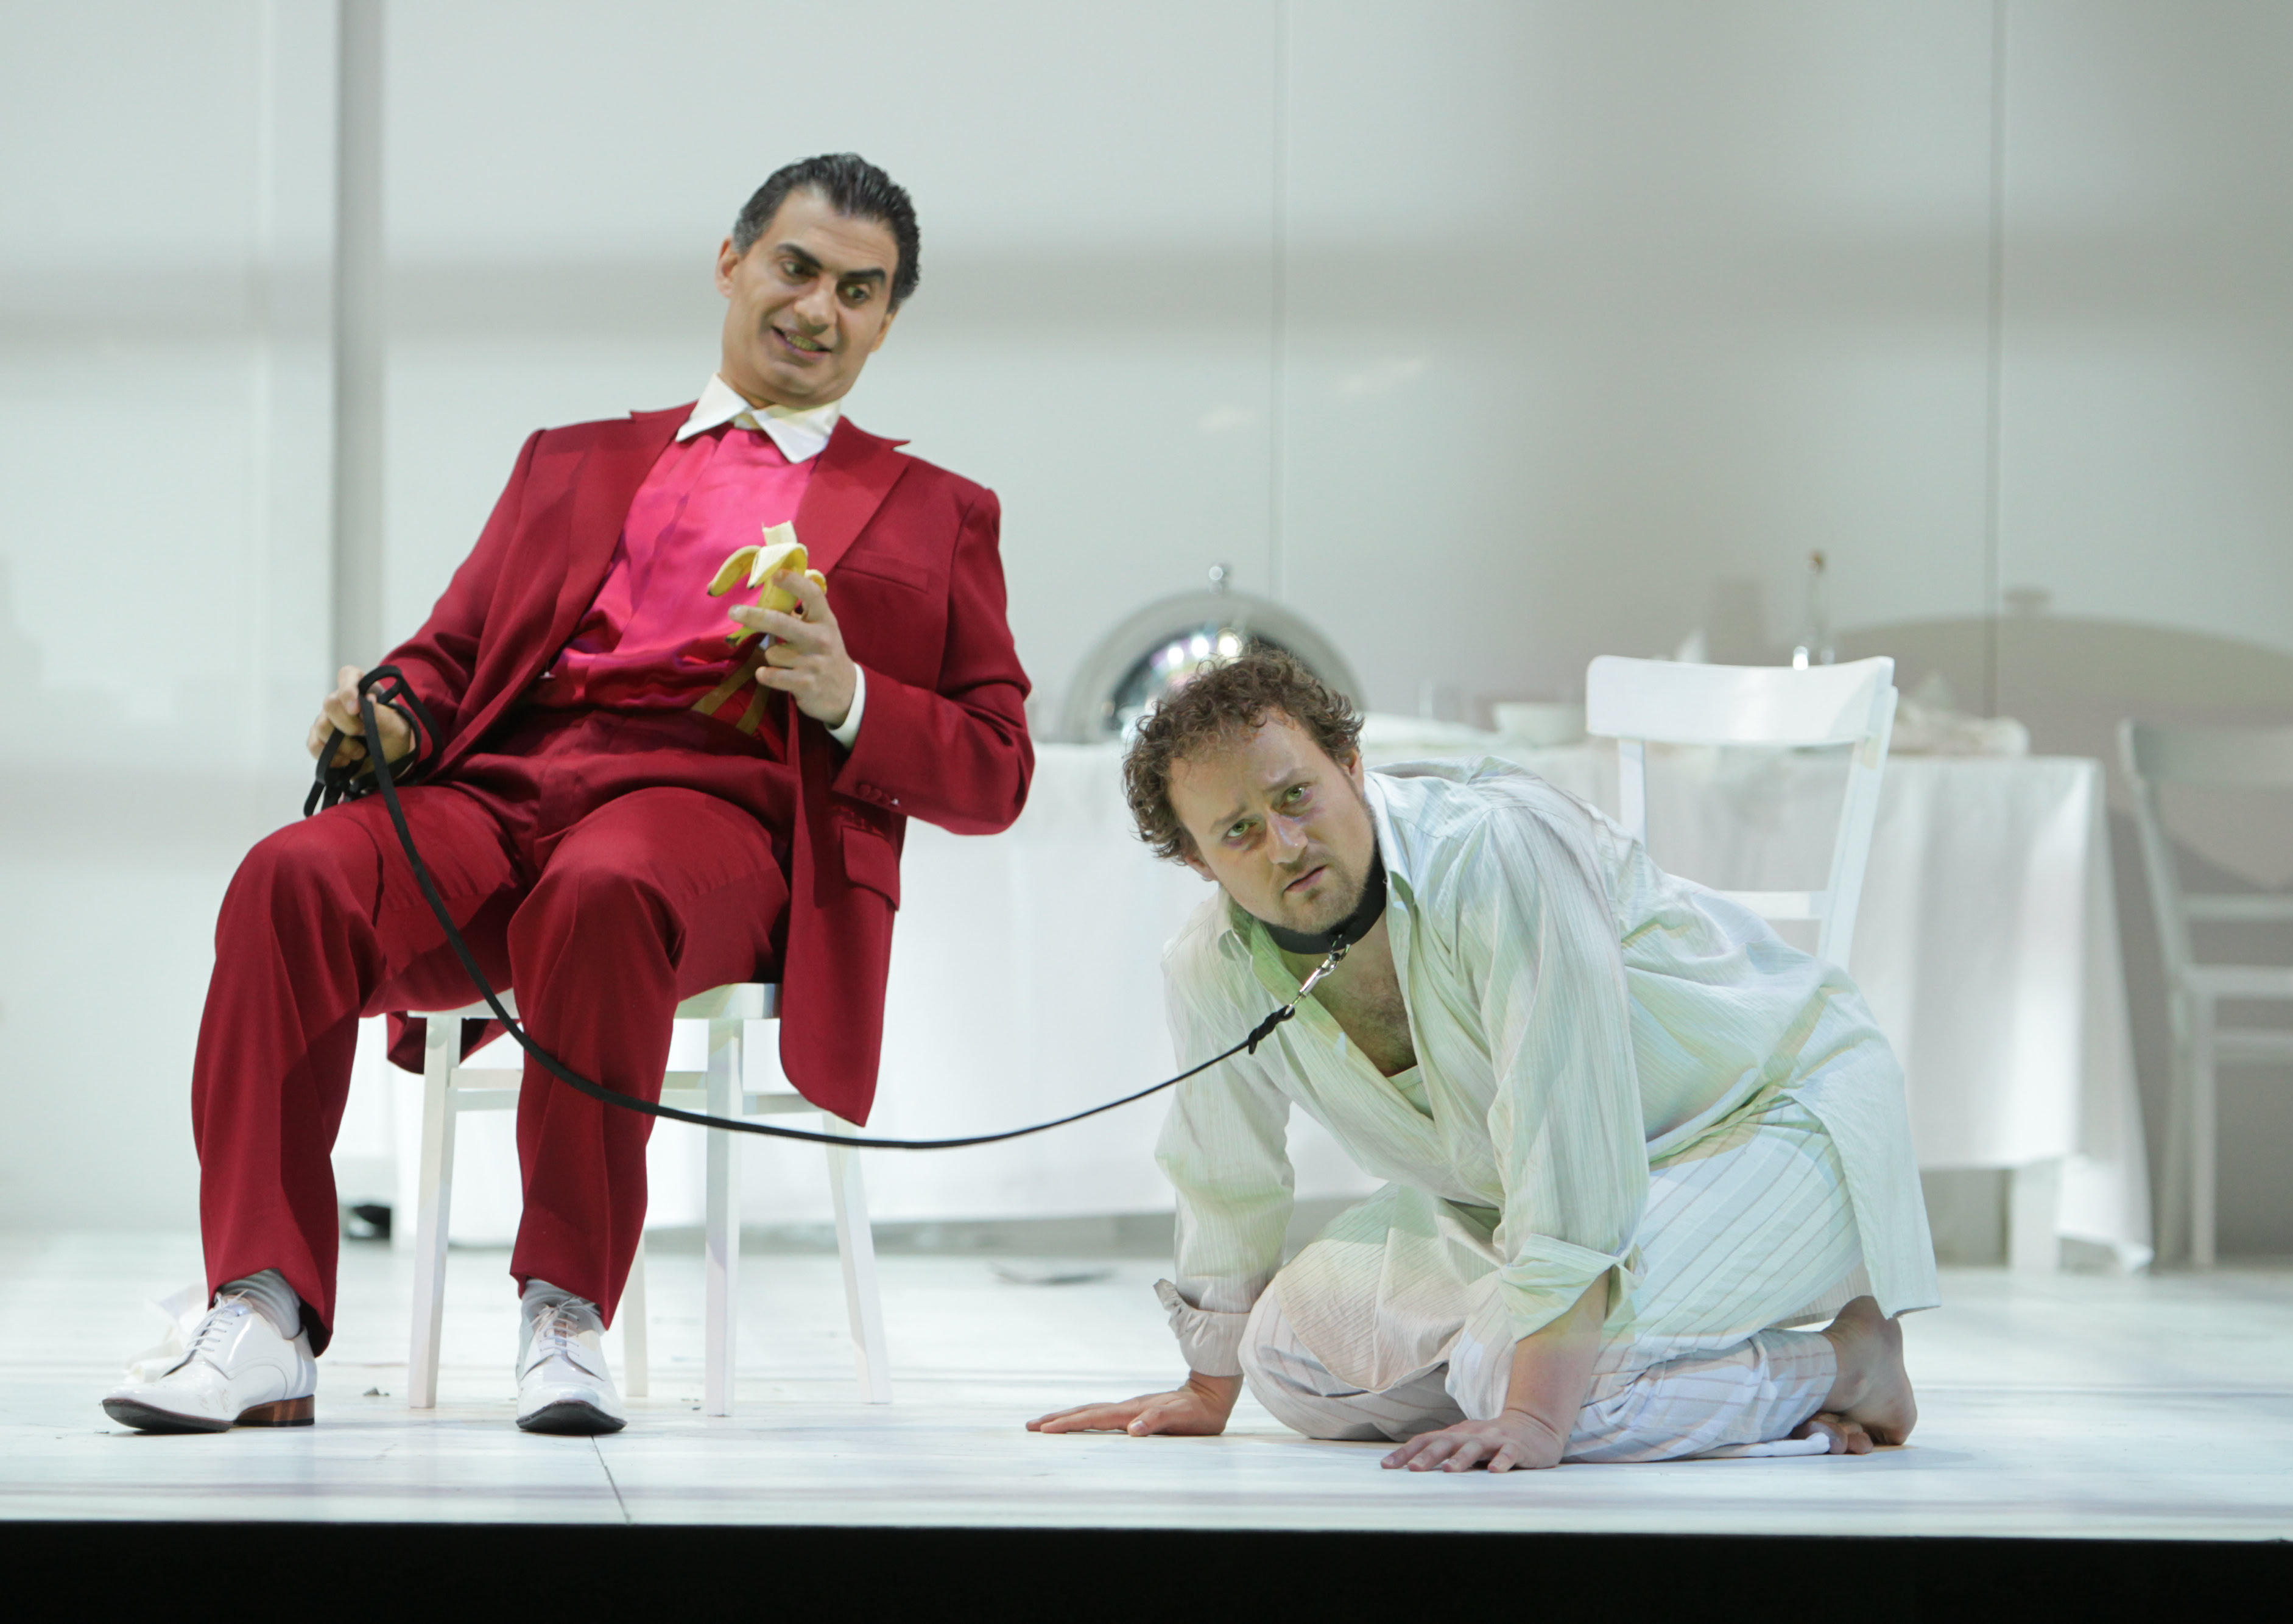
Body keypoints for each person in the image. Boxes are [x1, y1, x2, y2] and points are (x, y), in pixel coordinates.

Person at [106, 154, 1031, 1436]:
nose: (820, 308)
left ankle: (563, 1309)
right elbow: (450, 651)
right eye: (797, 267)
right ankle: (262, 1311)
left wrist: (851, 695)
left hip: (716, 818)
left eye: (859, 290)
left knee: (607, 883)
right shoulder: (572, 460)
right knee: (290, 875)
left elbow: (997, 765)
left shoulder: (939, 512)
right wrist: (392, 712)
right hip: (502, 794)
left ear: (887, 322)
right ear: (731, 264)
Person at [1029, 651, 1932, 1469]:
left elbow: (1566, 1129)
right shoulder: (1210, 964)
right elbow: (1226, 1173)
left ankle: (1850, 1363)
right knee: (1287, 1359)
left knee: (1550, 1388)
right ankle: (1582, 1371)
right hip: (1511, 1196)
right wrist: (1208, 1387)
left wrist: (1534, 1416)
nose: (1286, 844)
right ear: (1197, 861)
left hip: (1766, 1119)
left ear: (1351, 765)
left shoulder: (1495, 851)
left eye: (1296, 796)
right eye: (1239, 833)